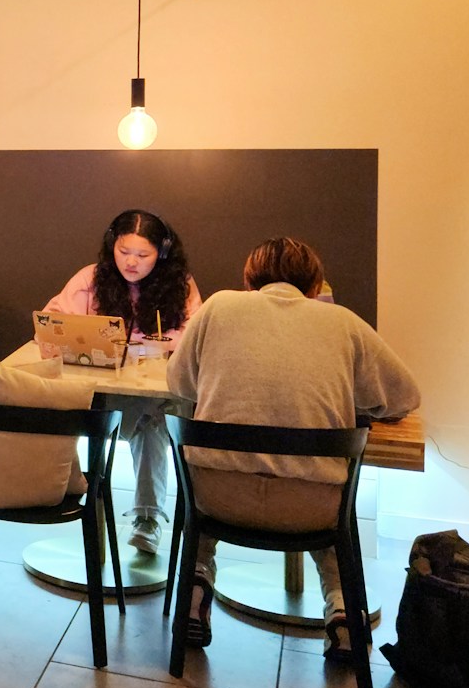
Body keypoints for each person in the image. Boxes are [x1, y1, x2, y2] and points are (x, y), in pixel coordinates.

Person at [167, 237, 419, 657]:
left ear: (249, 280)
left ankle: (194, 586)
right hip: (310, 510)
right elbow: (405, 395)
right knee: (325, 489)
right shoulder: (343, 322)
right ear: (317, 286)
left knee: (206, 472)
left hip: (217, 501)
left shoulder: (217, 308)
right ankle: (342, 612)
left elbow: (179, 384)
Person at [45, 208, 201, 555]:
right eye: (123, 252)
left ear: (161, 253)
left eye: (142, 255)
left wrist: (160, 345)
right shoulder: (90, 279)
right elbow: (53, 321)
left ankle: (147, 517)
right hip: (95, 393)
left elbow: (195, 335)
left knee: (154, 419)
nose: (131, 263)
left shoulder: (179, 285)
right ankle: (68, 499)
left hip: (151, 394)